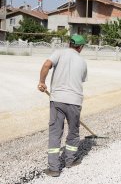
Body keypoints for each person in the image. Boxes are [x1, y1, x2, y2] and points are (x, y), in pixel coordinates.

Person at [37, 34, 87, 177]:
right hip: (75, 101)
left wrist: (42, 82)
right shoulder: (83, 62)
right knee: (73, 131)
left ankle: (54, 168)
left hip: (57, 99)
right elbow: (80, 80)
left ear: (69, 44)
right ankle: (70, 160)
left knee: (55, 132)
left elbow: (47, 64)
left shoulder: (59, 53)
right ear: (81, 47)